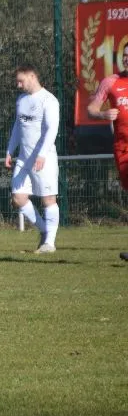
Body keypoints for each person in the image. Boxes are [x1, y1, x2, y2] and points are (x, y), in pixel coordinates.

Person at [4, 64, 60, 254]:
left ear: (32, 76)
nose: (18, 85)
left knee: (48, 199)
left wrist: (42, 154)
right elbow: (18, 127)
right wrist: (10, 151)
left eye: (21, 81)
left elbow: (52, 130)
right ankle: (44, 231)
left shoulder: (48, 100)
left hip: (44, 158)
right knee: (18, 197)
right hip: (24, 158)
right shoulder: (21, 100)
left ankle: (49, 243)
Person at [87, 43, 128, 261]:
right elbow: (91, 109)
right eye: (126, 55)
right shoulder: (111, 82)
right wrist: (103, 115)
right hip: (123, 148)